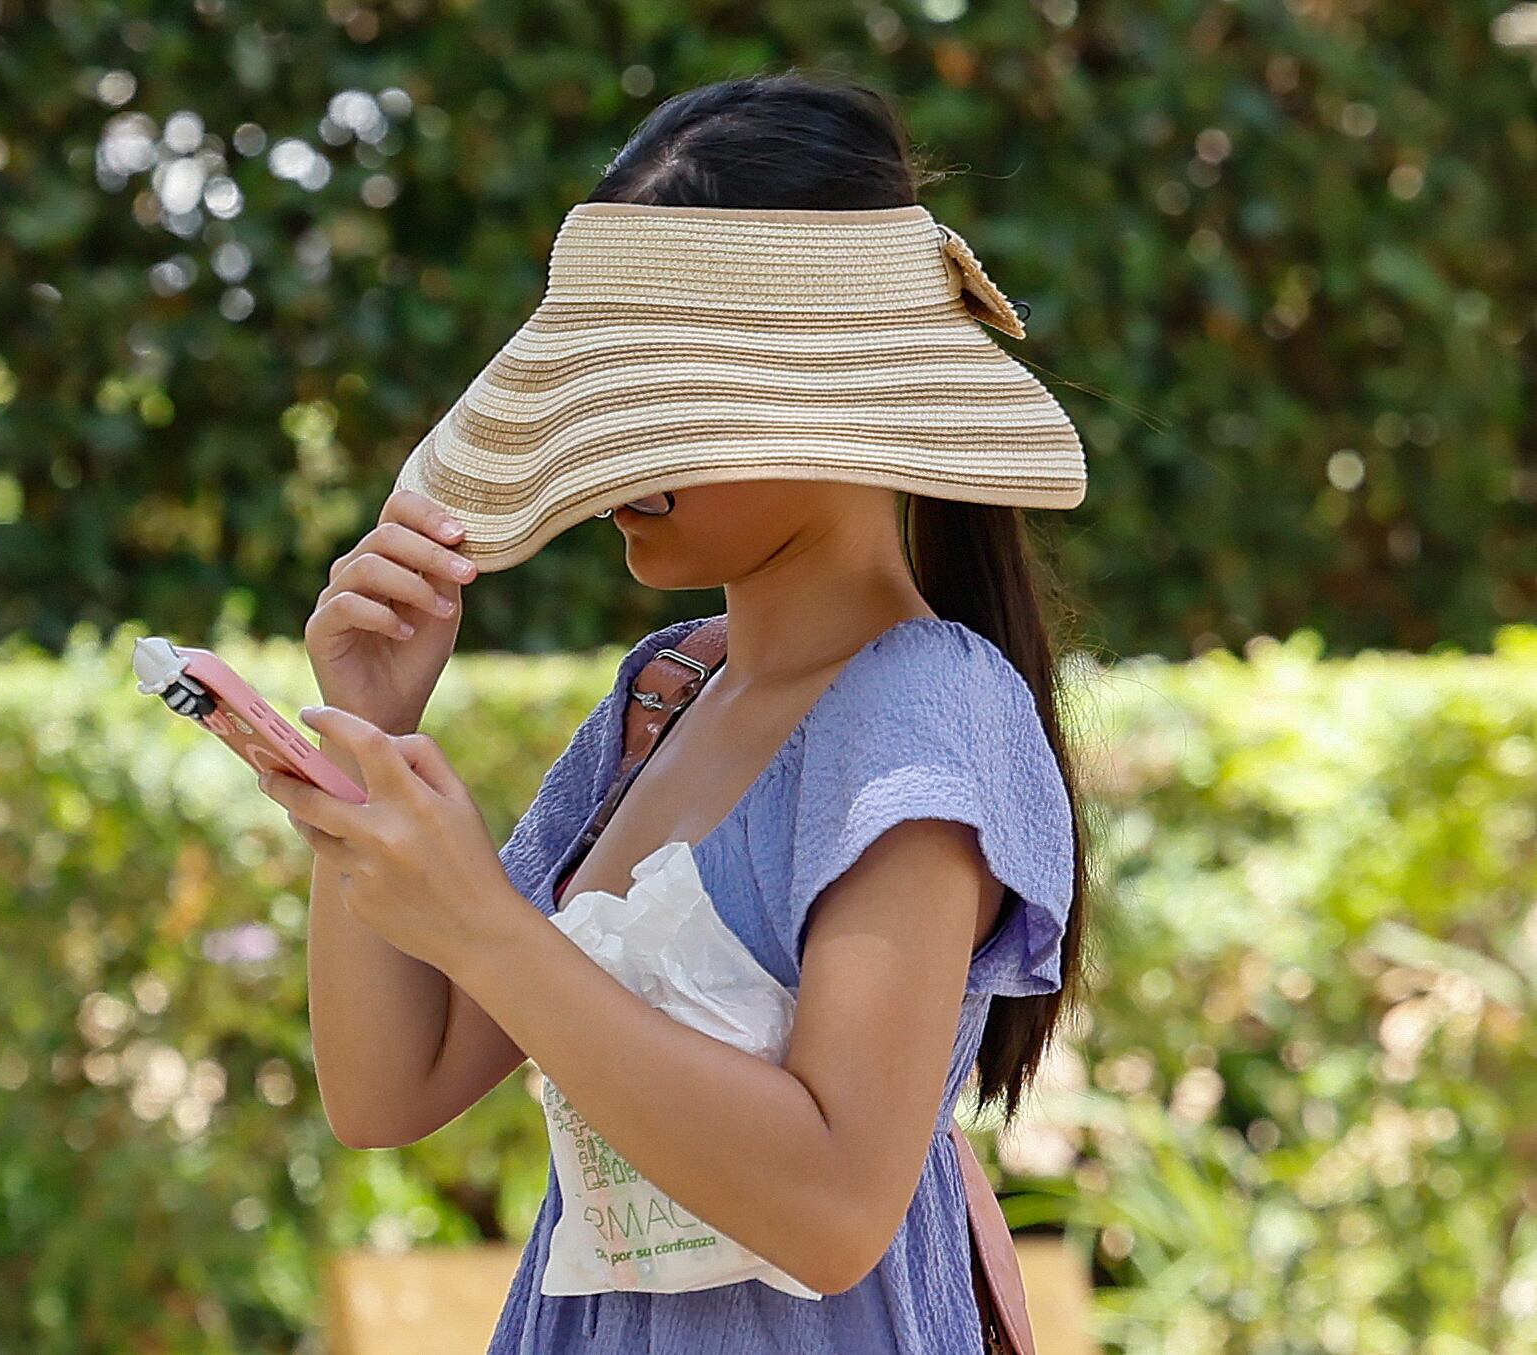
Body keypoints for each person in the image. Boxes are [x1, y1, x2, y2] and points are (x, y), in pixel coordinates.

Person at [262, 69, 1095, 1354]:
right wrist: (365, 735)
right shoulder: (665, 695)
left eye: (665, 400)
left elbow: (831, 1207)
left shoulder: (930, 711)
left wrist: (487, 928)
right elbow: (387, 1086)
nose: (617, 455)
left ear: (832, 380)